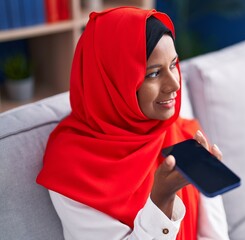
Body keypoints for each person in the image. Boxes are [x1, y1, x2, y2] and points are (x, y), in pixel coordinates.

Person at [36, 6, 229, 240]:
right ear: (112, 81)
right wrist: (160, 201)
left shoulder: (182, 132)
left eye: (173, 65)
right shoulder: (71, 168)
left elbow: (214, 235)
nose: (175, 85)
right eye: (154, 74)